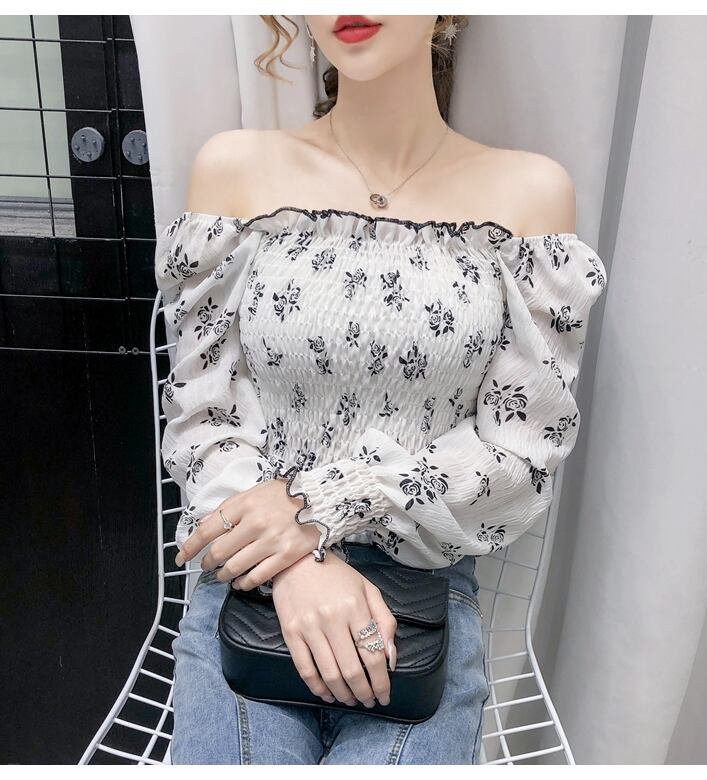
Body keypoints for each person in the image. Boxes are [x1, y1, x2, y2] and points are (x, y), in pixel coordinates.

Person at [154, 14, 608, 764]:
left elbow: (522, 451)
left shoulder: (528, 194)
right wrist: (297, 564)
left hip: (423, 603)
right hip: (254, 582)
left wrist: (323, 504)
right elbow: (201, 415)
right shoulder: (236, 170)